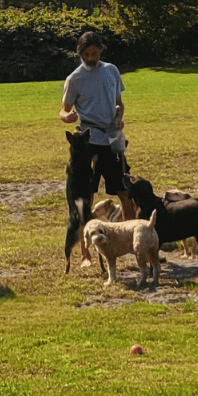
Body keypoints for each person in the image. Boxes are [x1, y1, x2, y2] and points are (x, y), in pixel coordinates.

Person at [59, 31, 136, 262]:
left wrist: (120, 116)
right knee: (87, 197)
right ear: (80, 54)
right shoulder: (75, 78)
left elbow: (119, 104)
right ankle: (85, 253)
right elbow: (63, 109)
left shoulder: (111, 70)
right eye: (86, 54)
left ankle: (131, 243)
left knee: (125, 192)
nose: (90, 57)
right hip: (88, 141)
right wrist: (67, 117)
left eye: (94, 53)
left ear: (100, 51)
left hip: (112, 139)